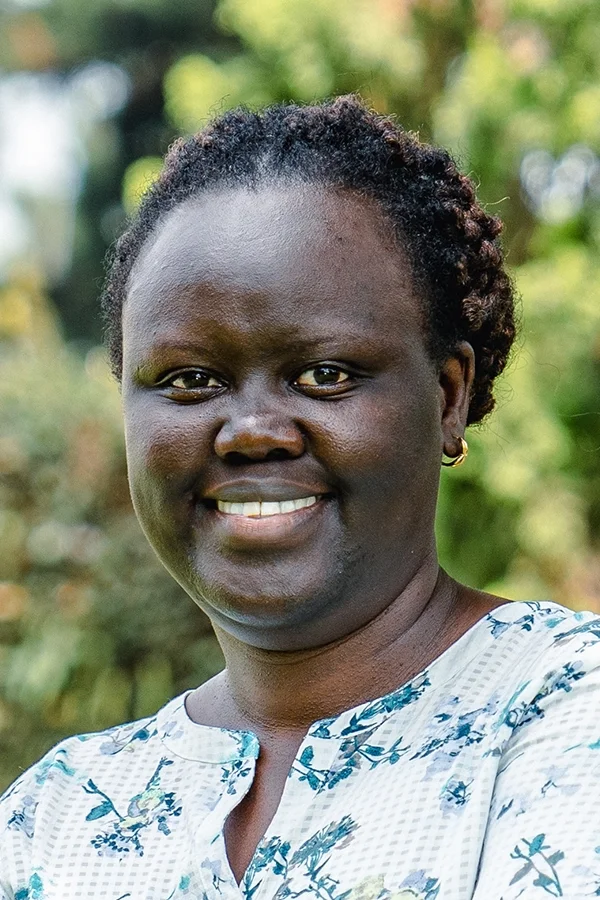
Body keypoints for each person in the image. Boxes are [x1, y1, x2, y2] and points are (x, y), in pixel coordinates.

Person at [2, 95, 600, 900]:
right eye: (189, 379)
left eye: (325, 374)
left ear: (449, 397)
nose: (250, 430)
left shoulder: (565, 712)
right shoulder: (55, 815)